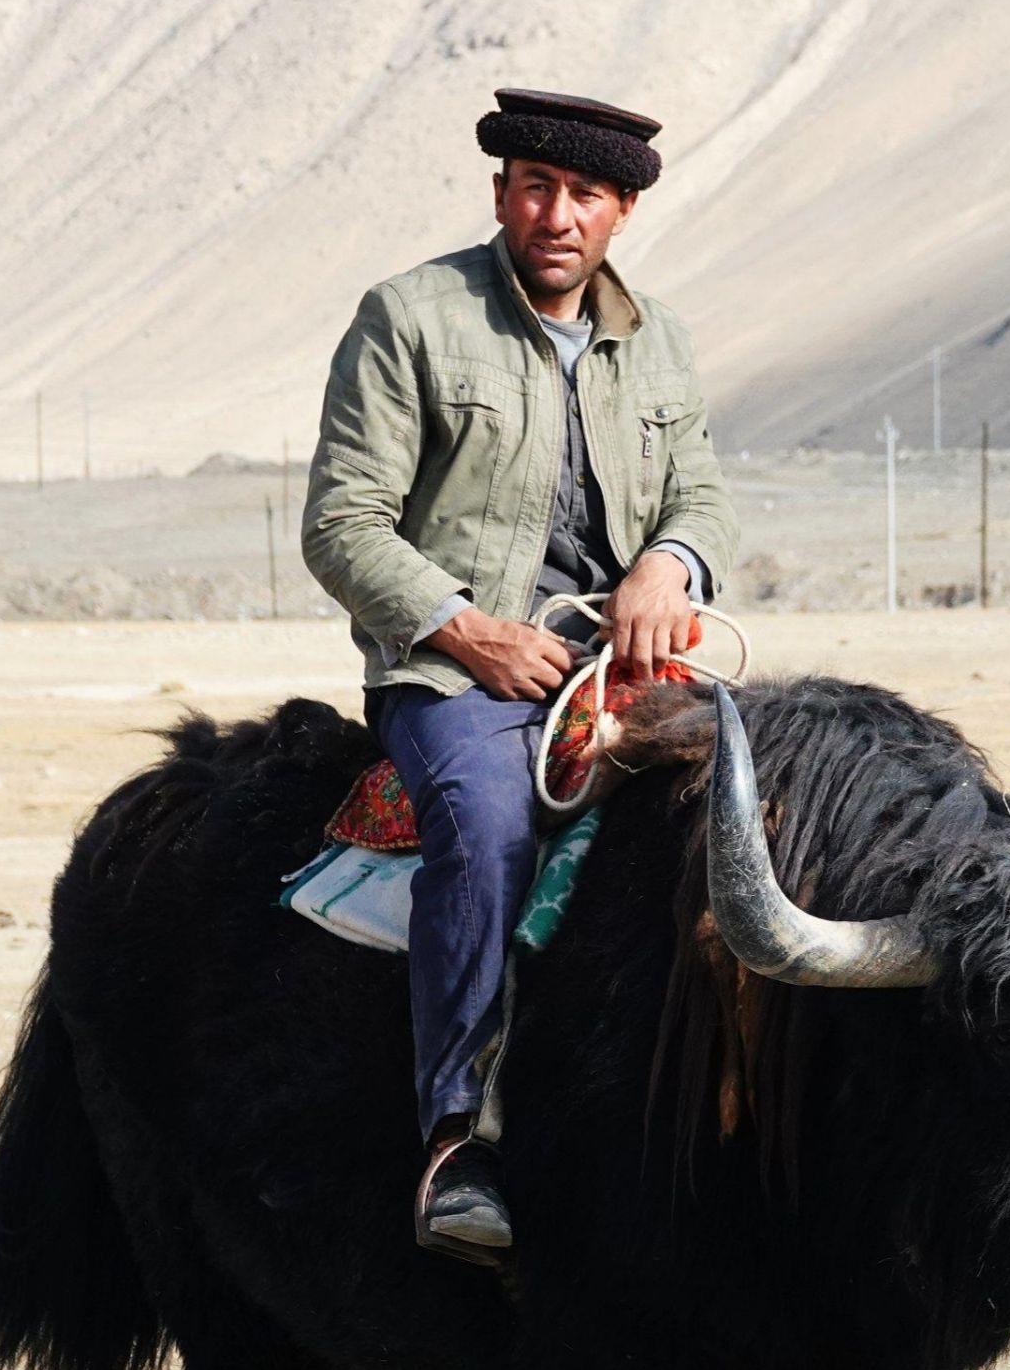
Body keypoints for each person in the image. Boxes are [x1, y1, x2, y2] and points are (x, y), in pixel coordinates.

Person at [301, 87, 740, 1266]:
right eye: (535, 188)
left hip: (621, 665)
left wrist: (668, 564)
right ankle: (459, 1141)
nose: (557, 214)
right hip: (454, 680)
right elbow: (342, 524)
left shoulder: (659, 340)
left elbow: (697, 493)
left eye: (584, 195)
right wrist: (464, 630)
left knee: (769, 810)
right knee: (487, 830)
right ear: (501, 194)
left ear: (621, 211)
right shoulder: (411, 318)